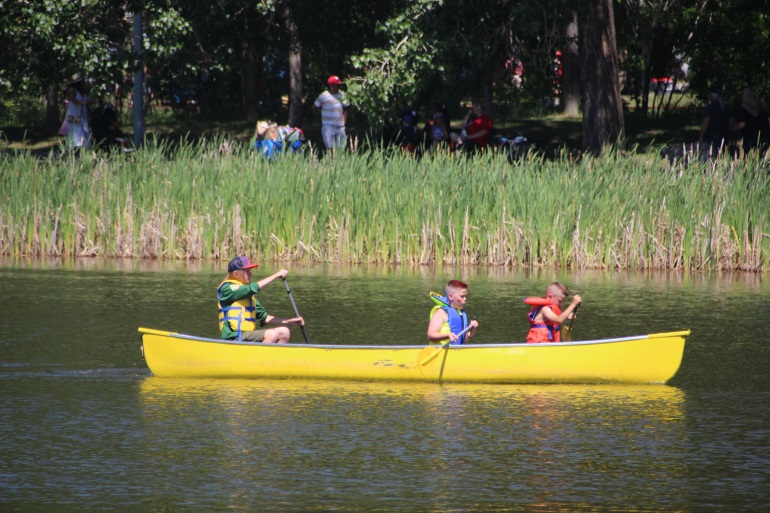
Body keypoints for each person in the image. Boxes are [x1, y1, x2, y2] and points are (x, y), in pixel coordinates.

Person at [217, 256, 304, 343]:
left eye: (250, 271)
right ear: (236, 274)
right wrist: (276, 275)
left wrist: (289, 321)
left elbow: (264, 318)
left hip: (248, 336)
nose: (250, 274)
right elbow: (250, 289)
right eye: (247, 271)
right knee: (271, 334)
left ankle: (273, 356)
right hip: (233, 337)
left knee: (284, 332)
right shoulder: (226, 288)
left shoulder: (249, 297)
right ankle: (258, 356)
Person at [427, 280, 479, 345]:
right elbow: (430, 336)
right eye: (462, 296)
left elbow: (459, 340)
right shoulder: (441, 312)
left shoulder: (460, 312)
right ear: (451, 296)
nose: (465, 299)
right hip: (440, 353)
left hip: (455, 352)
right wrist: (447, 335)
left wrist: (472, 331)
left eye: (465, 296)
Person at [314, 75, 349, 150]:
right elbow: (315, 107)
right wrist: (318, 121)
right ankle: (330, 161)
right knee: (330, 148)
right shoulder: (323, 96)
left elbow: (345, 108)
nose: (338, 87)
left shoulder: (342, 94)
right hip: (328, 126)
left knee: (341, 149)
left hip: (340, 126)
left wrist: (344, 122)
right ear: (331, 86)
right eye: (337, 85)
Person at [733, 87, 770, 155]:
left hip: (750, 139)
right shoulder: (763, 108)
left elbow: (742, 124)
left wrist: (732, 128)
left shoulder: (744, 109)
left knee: (750, 159)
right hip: (765, 138)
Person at [699, 87, 731, 160]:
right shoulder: (726, 107)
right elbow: (730, 123)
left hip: (712, 136)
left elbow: (705, 123)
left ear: (712, 96)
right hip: (724, 135)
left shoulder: (709, 107)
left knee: (711, 155)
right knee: (722, 154)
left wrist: (701, 135)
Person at [64, 73, 94, 150]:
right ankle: (73, 147)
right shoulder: (71, 90)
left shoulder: (80, 92)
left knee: (80, 128)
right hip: (73, 113)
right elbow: (72, 99)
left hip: (79, 113)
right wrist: (82, 103)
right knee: (74, 130)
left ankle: (81, 146)